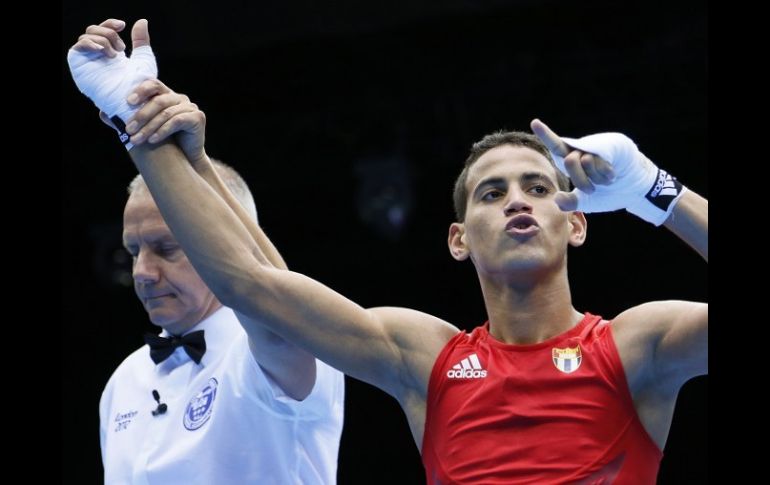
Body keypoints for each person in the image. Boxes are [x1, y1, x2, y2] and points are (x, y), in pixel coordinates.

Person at [68, 18, 707, 484]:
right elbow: (254, 288)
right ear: (459, 239)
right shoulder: (422, 356)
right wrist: (135, 120)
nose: (517, 201)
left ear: (577, 224)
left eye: (538, 187)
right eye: (491, 192)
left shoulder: (635, 346)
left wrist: (657, 191)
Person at [76, 22, 345, 484]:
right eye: (133, 251)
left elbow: (277, 311)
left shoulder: (272, 351)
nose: (142, 272)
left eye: (165, 249)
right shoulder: (124, 381)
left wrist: (136, 126)